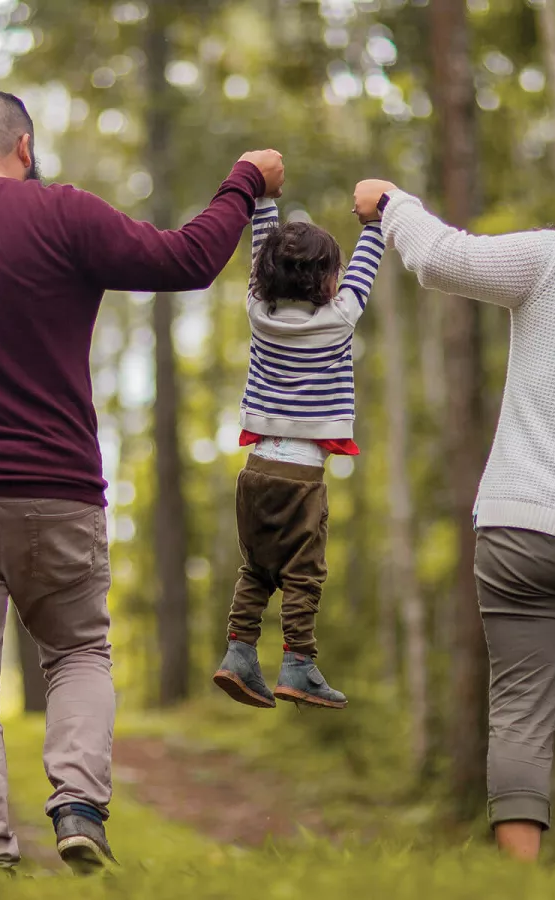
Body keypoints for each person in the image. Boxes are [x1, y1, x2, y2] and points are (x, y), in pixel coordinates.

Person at [0, 87, 284, 876]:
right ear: (25, 150)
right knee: (79, 651)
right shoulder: (63, 213)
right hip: (57, 488)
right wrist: (243, 182)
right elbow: (190, 260)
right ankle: (79, 806)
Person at [354, 151, 555, 873]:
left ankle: (520, 883)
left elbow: (440, 259)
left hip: (527, 527)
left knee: (522, 707)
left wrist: (392, 201)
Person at [212, 195, 385, 710]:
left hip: (257, 471)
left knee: (256, 569)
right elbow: (367, 265)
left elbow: (257, 251)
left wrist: (264, 200)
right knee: (302, 574)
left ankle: (239, 652)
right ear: (327, 281)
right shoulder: (339, 318)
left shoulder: (257, 312)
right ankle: (298, 664)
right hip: (301, 477)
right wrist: (375, 221)